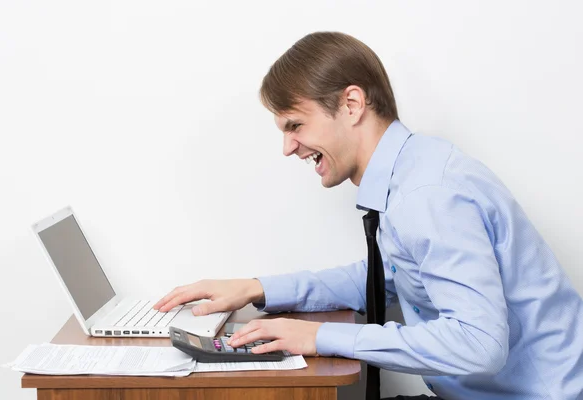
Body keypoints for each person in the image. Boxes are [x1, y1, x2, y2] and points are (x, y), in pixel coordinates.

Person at [154, 32, 583, 400]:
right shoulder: (414, 170)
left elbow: (480, 344)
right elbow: (387, 277)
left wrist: (320, 337)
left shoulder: (426, 195)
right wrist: (257, 288)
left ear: (353, 104)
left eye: (294, 125)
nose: (288, 148)